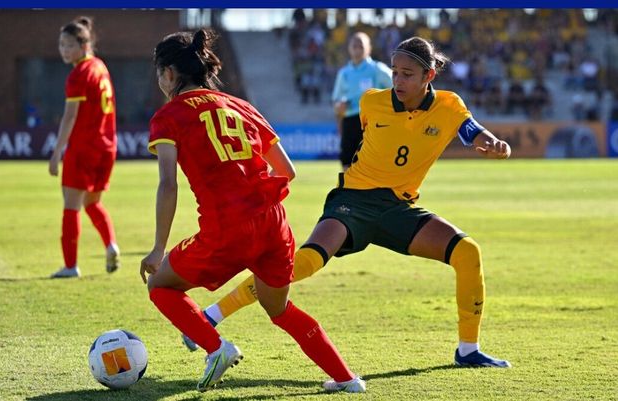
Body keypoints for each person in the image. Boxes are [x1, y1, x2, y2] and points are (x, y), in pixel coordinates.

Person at [185, 36, 512, 369]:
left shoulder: (449, 105)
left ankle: (468, 350)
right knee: (304, 263)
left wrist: (494, 143)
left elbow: (470, 130)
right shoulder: (372, 102)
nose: (398, 81)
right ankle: (212, 315)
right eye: (395, 72)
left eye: (407, 74)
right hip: (353, 202)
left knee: (467, 251)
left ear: (429, 76)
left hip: (399, 208)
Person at [140, 29, 365, 393]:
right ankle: (346, 378)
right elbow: (287, 171)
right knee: (280, 310)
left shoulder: (169, 116)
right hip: (274, 224)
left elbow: (169, 184)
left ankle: (216, 348)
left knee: (160, 285)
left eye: (159, 74)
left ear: (168, 73)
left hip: (226, 227)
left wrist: (156, 248)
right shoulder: (242, 105)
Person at [48, 16, 120, 278]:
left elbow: (70, 116)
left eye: (68, 45)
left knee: (71, 205)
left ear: (83, 44)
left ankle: (70, 266)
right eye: (60, 45)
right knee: (92, 202)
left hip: (83, 148)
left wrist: (57, 152)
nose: (63, 50)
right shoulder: (100, 66)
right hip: (107, 147)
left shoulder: (78, 75)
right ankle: (111, 244)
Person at [332, 32, 392, 170]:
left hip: (371, 122)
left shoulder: (377, 69)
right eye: (354, 45)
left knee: (370, 162)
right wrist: (338, 106)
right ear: (349, 48)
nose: (357, 48)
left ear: (369, 48)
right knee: (347, 162)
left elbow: (397, 88)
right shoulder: (344, 73)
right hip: (349, 121)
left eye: (361, 45)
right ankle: (350, 190)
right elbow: (336, 101)